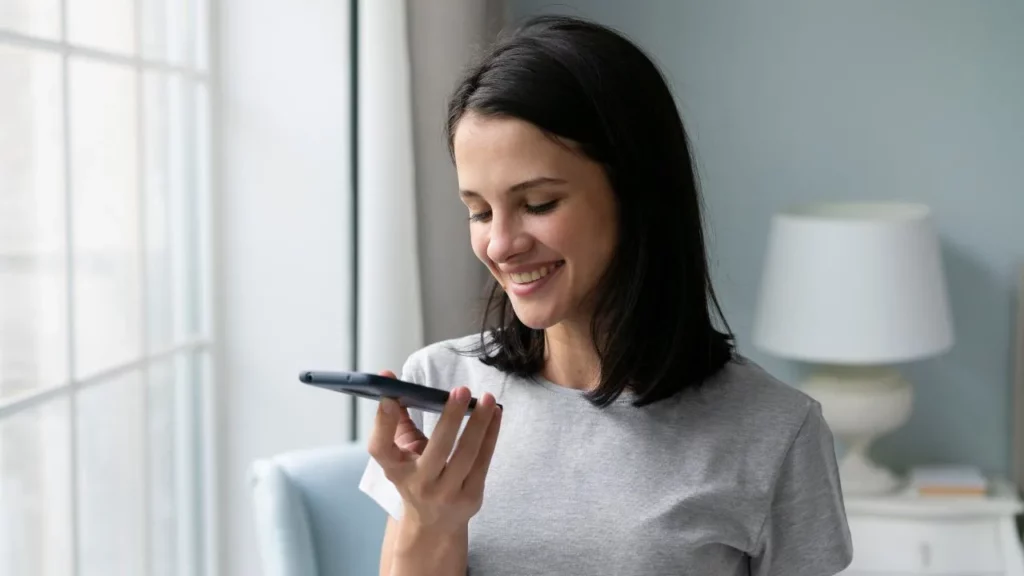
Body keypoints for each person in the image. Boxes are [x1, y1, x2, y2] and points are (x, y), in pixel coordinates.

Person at [359, 14, 853, 576]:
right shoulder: (440, 389)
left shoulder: (774, 431)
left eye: (539, 203)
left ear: (636, 192)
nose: (500, 244)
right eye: (478, 211)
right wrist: (432, 521)